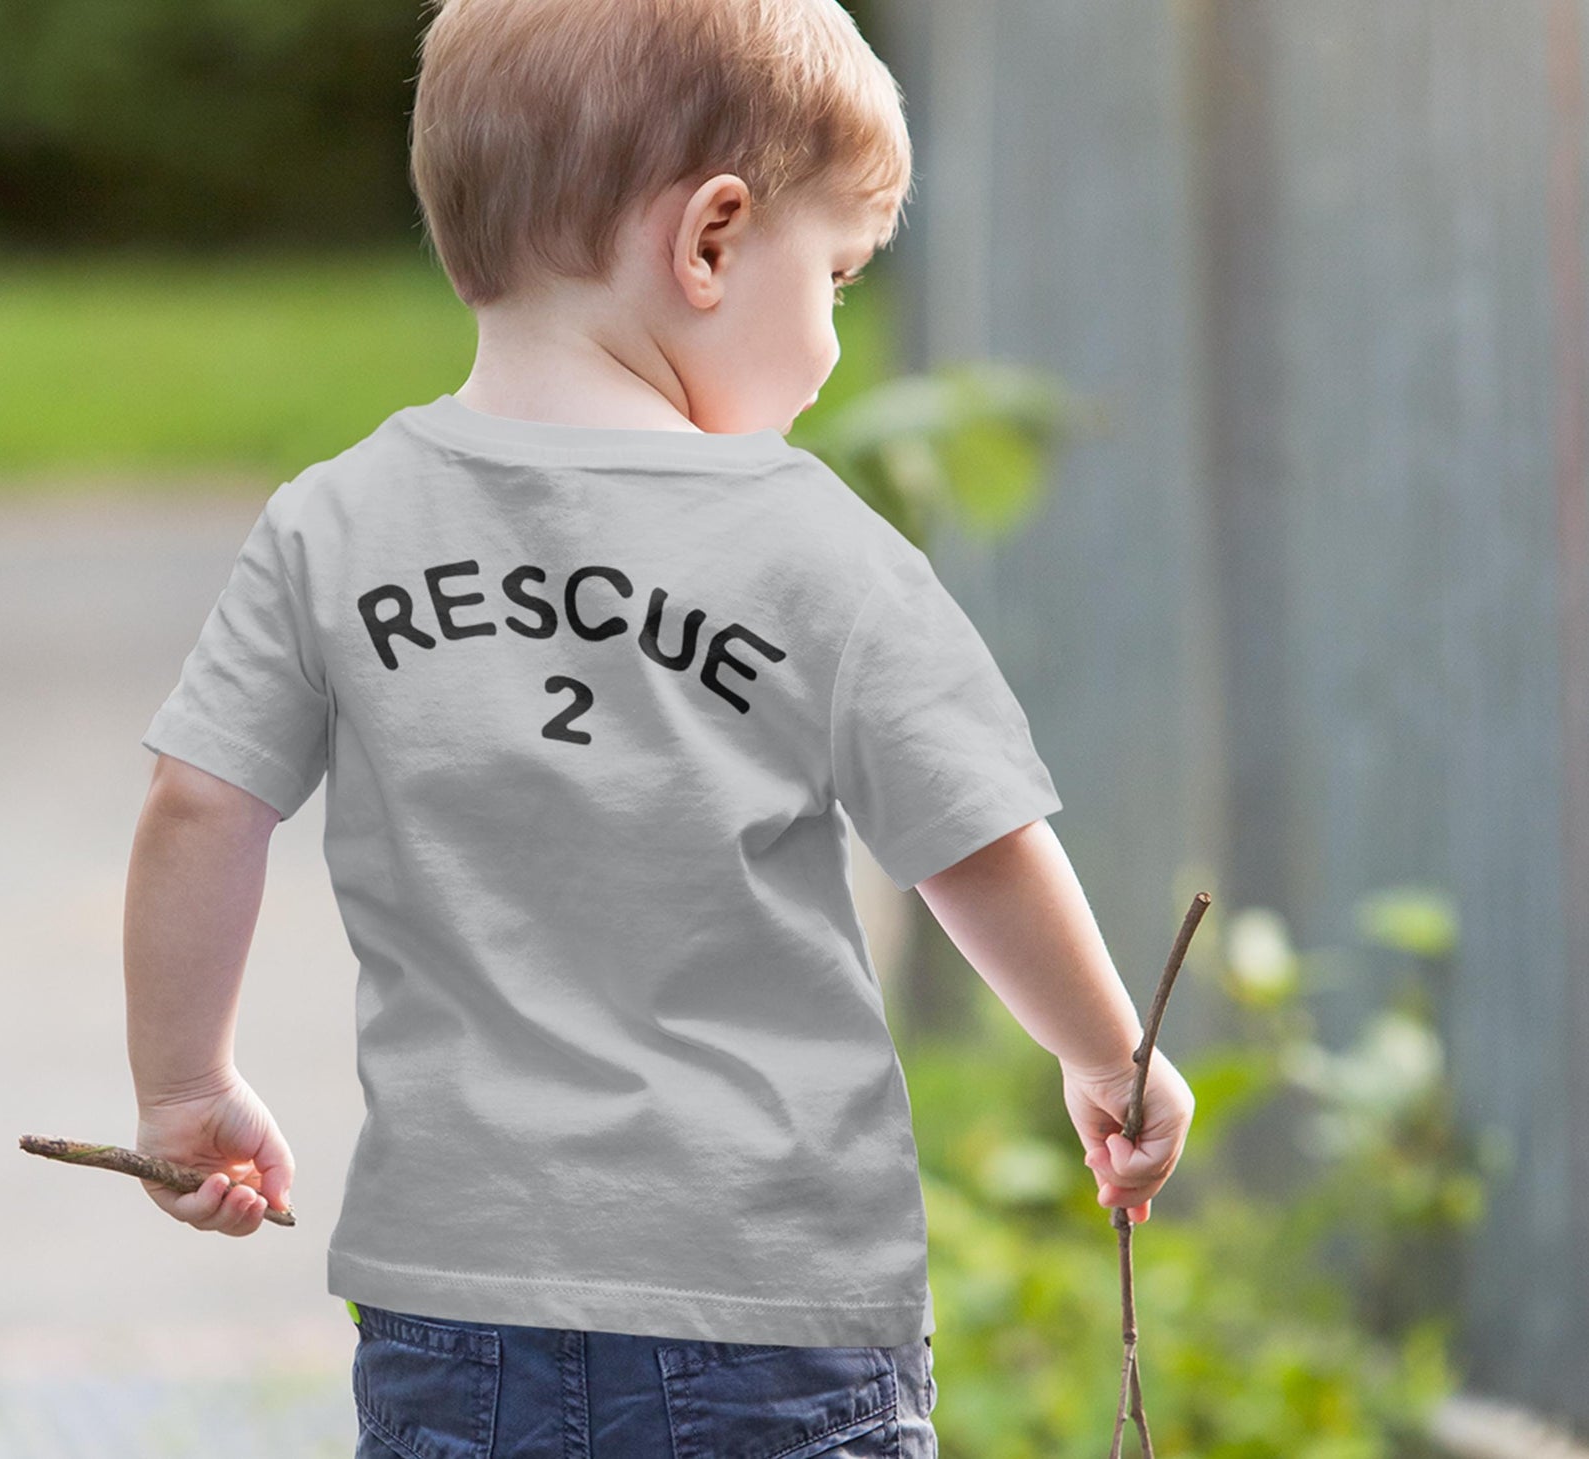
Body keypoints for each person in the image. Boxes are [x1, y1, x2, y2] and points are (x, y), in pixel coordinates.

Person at [122, 0, 1195, 1453]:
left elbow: (199, 803)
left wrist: (186, 1086)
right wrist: (1107, 1056)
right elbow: (973, 835)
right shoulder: (815, 547)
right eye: (833, 277)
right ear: (712, 241)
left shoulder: (333, 525)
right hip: (771, 1306)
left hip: (458, 1310)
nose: (831, 340)